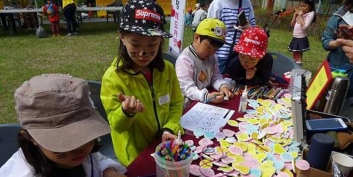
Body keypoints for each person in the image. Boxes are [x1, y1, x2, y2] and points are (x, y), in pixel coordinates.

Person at [100, 0, 184, 167]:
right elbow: (117, 126)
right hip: (135, 155)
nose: (143, 53)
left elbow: (175, 103)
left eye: (152, 44)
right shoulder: (113, 78)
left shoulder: (166, 69)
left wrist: (169, 128)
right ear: (122, 37)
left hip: (163, 144)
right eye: (135, 44)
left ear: (160, 40)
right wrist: (126, 112)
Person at [0, 73, 127, 177]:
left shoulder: (79, 156)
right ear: (31, 138)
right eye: (66, 144)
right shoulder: (23, 174)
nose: (80, 149)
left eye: (86, 137)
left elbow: (97, 161)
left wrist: (108, 171)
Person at [175, 18, 234, 107]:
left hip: (207, 102)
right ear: (196, 38)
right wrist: (205, 96)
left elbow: (215, 77)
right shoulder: (185, 60)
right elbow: (186, 88)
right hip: (188, 105)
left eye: (215, 49)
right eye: (209, 47)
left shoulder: (213, 58)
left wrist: (222, 86)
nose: (212, 52)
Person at [207, 0, 256, 74]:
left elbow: (254, 29)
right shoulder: (218, 3)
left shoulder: (247, 3)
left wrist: (249, 29)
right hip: (221, 56)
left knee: (236, 83)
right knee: (219, 82)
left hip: (241, 56)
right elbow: (210, 30)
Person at [322, 0, 353, 98]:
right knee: (332, 99)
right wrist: (339, 42)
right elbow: (326, 41)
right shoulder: (340, 16)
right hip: (337, 68)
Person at [288, 0, 316, 66]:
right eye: (301, 6)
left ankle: (298, 69)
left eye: (304, 6)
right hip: (295, 36)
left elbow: (304, 27)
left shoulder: (310, 14)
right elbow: (292, 24)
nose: (302, 8)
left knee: (298, 56)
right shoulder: (301, 13)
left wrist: (300, 16)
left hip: (301, 37)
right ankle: (294, 67)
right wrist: (295, 15)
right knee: (294, 54)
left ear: (310, 6)